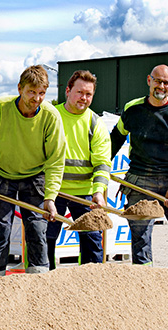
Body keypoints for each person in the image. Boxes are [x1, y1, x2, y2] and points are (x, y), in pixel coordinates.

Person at [0, 65, 66, 276]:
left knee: (37, 228)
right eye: (32, 92)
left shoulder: (51, 116)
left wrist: (50, 197)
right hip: (1, 174)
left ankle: (39, 278)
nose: (37, 98)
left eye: (42, 93)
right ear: (20, 88)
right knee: (1, 228)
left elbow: (56, 160)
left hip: (35, 176)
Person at [110, 64, 168, 267]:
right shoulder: (132, 109)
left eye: (166, 82)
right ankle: (144, 281)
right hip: (140, 180)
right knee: (140, 236)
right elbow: (115, 140)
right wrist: (102, 167)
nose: (161, 86)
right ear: (149, 80)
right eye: (157, 81)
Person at [46, 70, 111, 270]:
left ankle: (91, 286)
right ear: (68, 91)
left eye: (89, 94)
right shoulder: (50, 116)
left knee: (92, 242)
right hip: (52, 191)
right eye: (80, 92)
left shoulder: (94, 123)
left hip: (84, 194)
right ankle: (41, 284)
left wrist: (98, 193)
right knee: (43, 240)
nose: (84, 98)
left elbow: (102, 162)